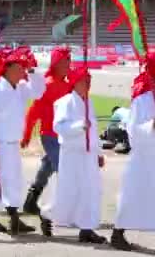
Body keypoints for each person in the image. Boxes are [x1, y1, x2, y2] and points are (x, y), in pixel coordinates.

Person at [0, 49, 45, 235]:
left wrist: (31, 71)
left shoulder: (21, 88)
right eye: (18, 68)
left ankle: (12, 217)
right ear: (6, 69)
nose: (21, 72)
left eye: (22, 68)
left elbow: (39, 91)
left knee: (14, 181)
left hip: (13, 143)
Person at [39, 67, 107, 244]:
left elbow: (93, 130)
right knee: (69, 190)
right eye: (85, 81)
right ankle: (47, 214)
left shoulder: (88, 103)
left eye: (89, 81)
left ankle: (86, 228)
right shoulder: (65, 102)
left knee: (90, 191)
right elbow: (58, 127)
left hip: (88, 154)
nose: (88, 84)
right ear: (75, 83)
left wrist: (98, 152)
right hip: (72, 154)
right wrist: (78, 127)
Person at [110, 54, 155, 251]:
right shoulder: (142, 98)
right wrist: (152, 125)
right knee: (132, 196)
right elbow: (133, 130)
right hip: (144, 157)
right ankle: (117, 233)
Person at [22, 47, 71, 215]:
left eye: (68, 62)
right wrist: (26, 134)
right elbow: (33, 112)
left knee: (47, 167)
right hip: (49, 135)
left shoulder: (67, 86)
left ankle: (31, 201)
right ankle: (62, 208)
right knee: (63, 169)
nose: (67, 66)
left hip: (63, 135)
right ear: (56, 64)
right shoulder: (47, 84)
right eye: (64, 62)